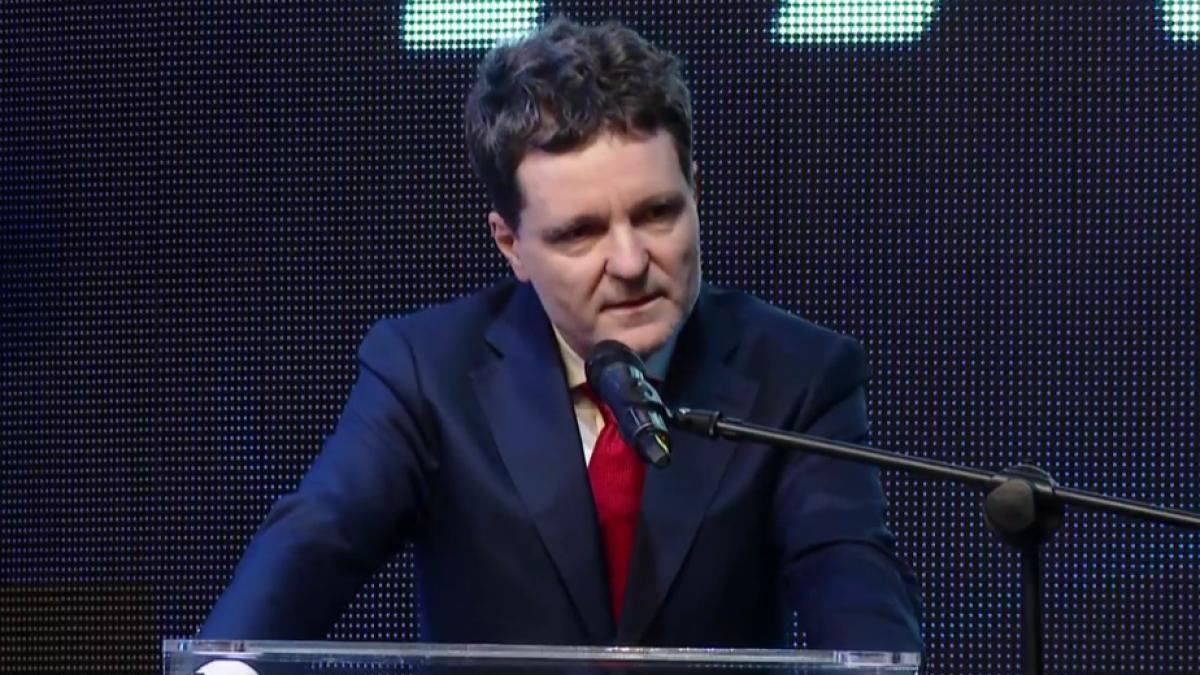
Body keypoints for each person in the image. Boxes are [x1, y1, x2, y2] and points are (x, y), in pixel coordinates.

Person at [199, 17, 923, 651]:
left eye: (657, 213)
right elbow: (319, 535)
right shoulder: (426, 370)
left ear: (696, 193)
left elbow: (850, 577)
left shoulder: (799, 373)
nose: (631, 262)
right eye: (580, 232)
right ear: (510, 243)